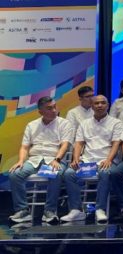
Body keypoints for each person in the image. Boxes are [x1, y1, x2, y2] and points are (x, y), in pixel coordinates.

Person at [8, 96, 74, 224]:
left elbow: (65, 145)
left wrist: (57, 159)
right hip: (35, 159)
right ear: (40, 111)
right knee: (15, 174)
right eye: (49, 108)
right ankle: (22, 210)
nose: (54, 110)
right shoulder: (32, 125)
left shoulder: (64, 124)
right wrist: (21, 161)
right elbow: (24, 147)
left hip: (53, 159)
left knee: (55, 173)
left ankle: (50, 210)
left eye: (54, 107)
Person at [62, 95, 123, 223]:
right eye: (96, 103)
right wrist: (76, 159)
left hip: (106, 160)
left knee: (104, 172)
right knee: (69, 173)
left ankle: (100, 209)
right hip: (88, 160)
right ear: (92, 106)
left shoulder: (116, 123)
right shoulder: (84, 123)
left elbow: (116, 144)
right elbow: (79, 143)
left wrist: (109, 160)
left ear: (108, 105)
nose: (100, 105)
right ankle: (76, 210)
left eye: (103, 103)